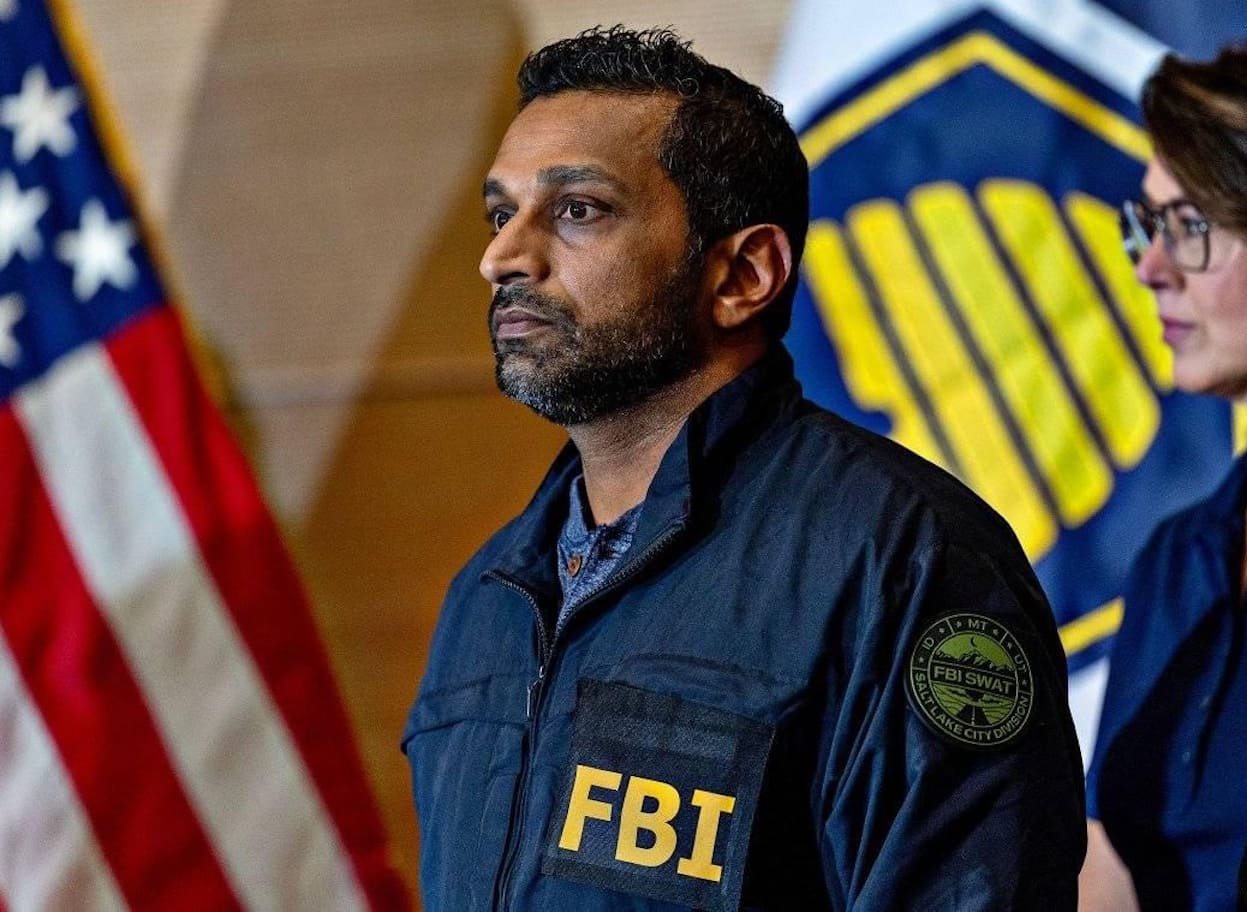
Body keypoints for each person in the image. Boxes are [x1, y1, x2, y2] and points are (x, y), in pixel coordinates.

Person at [403, 26, 1084, 911]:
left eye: (578, 210)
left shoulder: (905, 559)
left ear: (744, 275)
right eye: (503, 215)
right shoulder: (487, 595)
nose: (502, 258)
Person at [1080, 34, 1247, 912]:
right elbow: (1111, 871)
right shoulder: (1178, 556)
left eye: (1192, 227)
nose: (1151, 268)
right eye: (1148, 224)